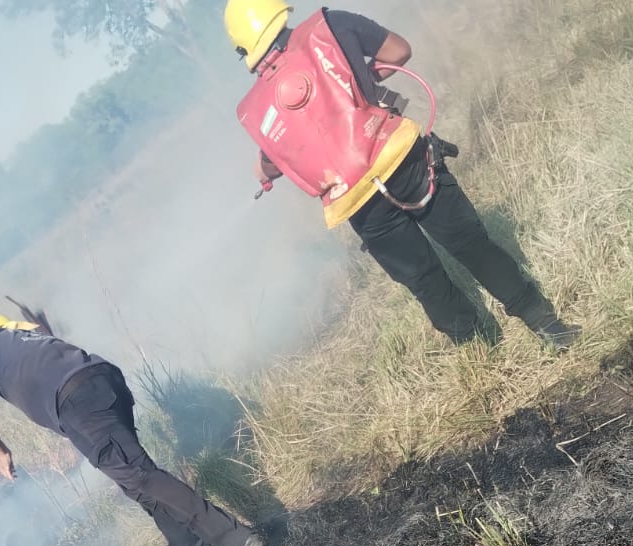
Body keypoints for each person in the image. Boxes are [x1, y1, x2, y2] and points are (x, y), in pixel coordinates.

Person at [224, 1, 580, 351]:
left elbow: (269, 163)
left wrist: (265, 171)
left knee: (423, 279)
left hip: (358, 202)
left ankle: (480, 353)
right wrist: (362, 81)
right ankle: (548, 327)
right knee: (469, 243)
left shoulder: (255, 107)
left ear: (245, 48)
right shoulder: (329, 25)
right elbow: (398, 51)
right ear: (278, 13)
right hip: (404, 162)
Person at [0, 305, 266, 546]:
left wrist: (1, 451)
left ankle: (234, 541)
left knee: (139, 476)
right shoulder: (27, 336)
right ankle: (185, 545)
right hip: (103, 378)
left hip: (76, 402)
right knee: (133, 477)